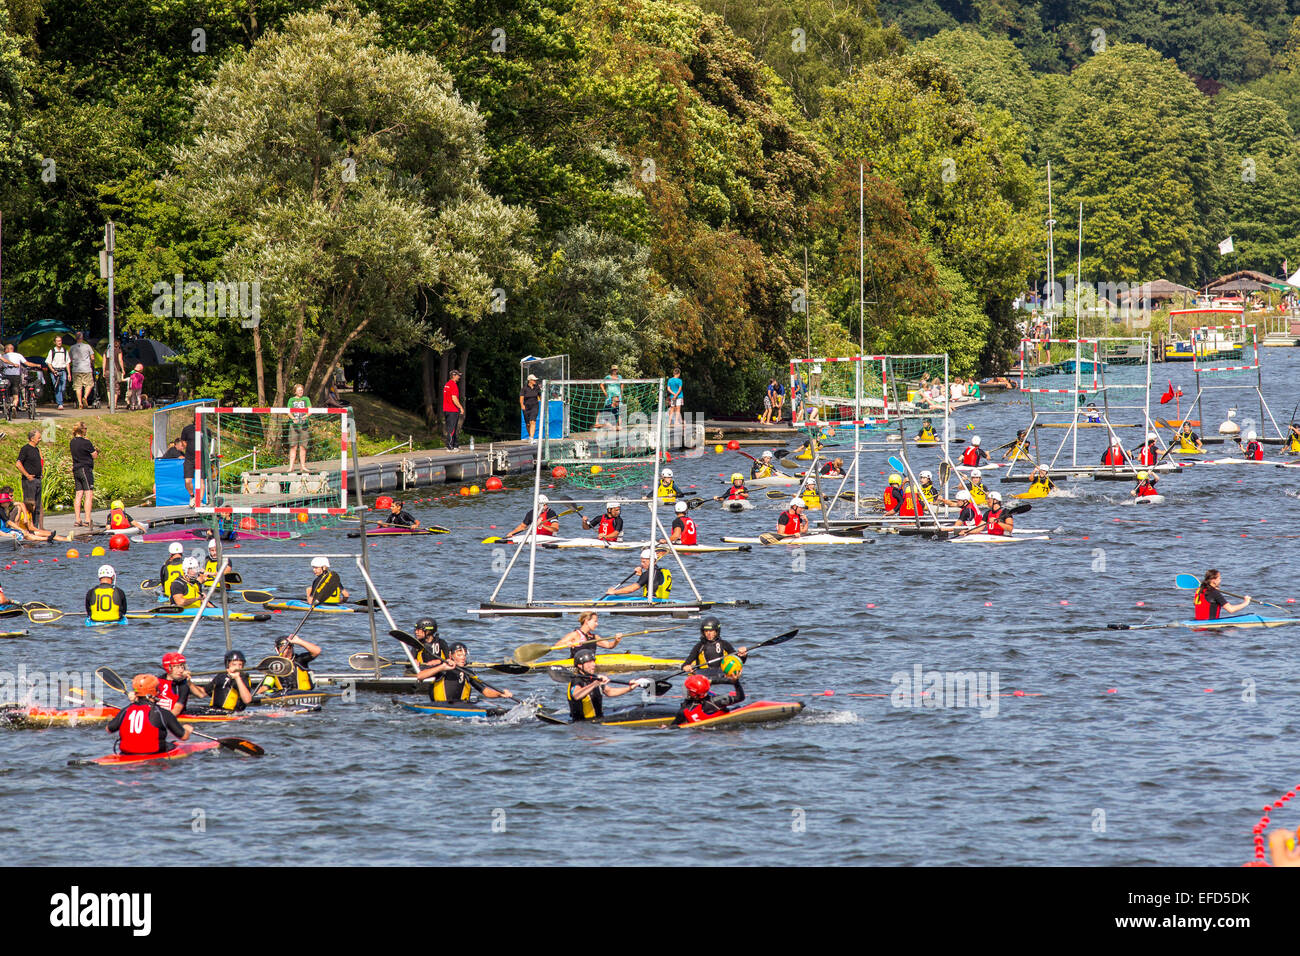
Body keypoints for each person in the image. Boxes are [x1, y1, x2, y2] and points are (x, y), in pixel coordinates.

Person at [105, 674, 193, 755]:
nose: (159, 692)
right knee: (174, 743)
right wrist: (187, 729)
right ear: (154, 692)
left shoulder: (125, 710)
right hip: (153, 753)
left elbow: (109, 729)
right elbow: (184, 737)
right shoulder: (162, 712)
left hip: (127, 753)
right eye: (158, 689)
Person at [414, 642, 514, 704]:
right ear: (451, 655)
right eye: (459, 654)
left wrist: (500, 694)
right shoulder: (442, 668)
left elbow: (486, 692)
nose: (463, 657)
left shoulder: (467, 672)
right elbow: (420, 676)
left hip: (462, 705)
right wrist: (442, 667)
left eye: (464, 655)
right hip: (440, 705)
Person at [565, 646, 638, 721]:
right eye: (589, 662)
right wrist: (595, 684)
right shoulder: (576, 680)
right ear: (580, 665)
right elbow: (576, 695)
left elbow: (609, 692)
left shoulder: (593, 678)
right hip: (582, 723)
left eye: (593, 661)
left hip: (598, 720)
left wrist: (629, 688)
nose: (593, 664)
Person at [257, 634, 322, 695]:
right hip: (285, 696)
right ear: (277, 649)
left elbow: (317, 651)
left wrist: (299, 641)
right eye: (284, 648)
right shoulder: (275, 665)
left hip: (304, 694)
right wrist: (255, 695)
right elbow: (266, 686)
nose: (288, 651)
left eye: (290, 648)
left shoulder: (300, 660)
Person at [681, 616, 747, 672]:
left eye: (711, 631)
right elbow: (685, 664)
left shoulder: (725, 644)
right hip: (705, 676)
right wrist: (685, 667)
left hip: (721, 675)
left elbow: (739, 661)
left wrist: (743, 655)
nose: (708, 633)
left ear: (716, 631)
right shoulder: (699, 646)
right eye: (706, 631)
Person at [605, 548, 671, 599]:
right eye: (641, 562)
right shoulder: (661, 571)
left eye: (644, 562)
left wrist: (614, 592)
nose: (642, 564)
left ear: (653, 561)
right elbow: (652, 581)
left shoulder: (649, 573)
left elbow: (632, 589)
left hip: (652, 602)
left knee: (611, 598)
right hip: (662, 600)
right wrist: (641, 575)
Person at [155, 652, 206, 717]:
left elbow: (177, 709)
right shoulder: (157, 680)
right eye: (177, 667)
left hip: (173, 716)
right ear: (168, 668)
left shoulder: (183, 685)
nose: (181, 670)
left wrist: (162, 721)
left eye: (182, 667)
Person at [70, 422, 98, 528]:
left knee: (78, 494)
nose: (87, 430)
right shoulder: (86, 442)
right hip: (85, 469)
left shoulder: (72, 442)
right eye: (85, 428)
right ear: (82, 430)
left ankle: (77, 519)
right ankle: (87, 519)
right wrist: (96, 451)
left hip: (76, 469)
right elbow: (94, 455)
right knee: (88, 494)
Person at [16, 429, 44, 530]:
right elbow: (18, 464)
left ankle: (35, 527)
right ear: (32, 438)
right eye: (38, 437)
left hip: (37, 480)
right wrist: (27, 475)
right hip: (29, 481)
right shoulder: (25, 449)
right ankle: (28, 527)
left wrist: (41, 473)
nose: (40, 439)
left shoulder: (36, 449)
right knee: (30, 505)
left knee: (37, 506)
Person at [557, 611, 624, 652]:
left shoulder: (594, 637)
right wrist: (567, 644)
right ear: (587, 621)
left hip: (589, 665)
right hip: (576, 664)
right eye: (595, 621)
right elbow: (557, 645)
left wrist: (616, 640)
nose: (597, 624)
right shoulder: (575, 634)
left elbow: (609, 645)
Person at [286, 383, 311, 471]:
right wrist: (293, 418)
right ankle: (291, 467)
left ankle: (303, 466)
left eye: (302, 390)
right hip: (294, 426)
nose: (301, 392)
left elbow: (310, 410)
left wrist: (306, 416)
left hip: (304, 425)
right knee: (293, 446)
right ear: (295, 391)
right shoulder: (291, 400)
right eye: (299, 390)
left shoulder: (306, 399)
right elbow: (288, 411)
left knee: (303, 446)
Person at [69, 332, 95, 410]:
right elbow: (92, 357)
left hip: (76, 369)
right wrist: (92, 363)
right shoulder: (87, 347)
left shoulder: (72, 348)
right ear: (82, 338)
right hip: (86, 368)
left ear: (75, 338)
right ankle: (85, 397)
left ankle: (80, 403)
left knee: (78, 387)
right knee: (89, 384)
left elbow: (69, 359)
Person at [442, 368, 465, 450]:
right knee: (451, 429)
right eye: (458, 375)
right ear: (453, 376)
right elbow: (454, 398)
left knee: (453, 428)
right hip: (452, 410)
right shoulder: (453, 385)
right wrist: (461, 407)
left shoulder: (447, 384)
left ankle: (455, 445)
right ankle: (450, 446)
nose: (459, 377)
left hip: (446, 409)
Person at [45, 335, 69, 409]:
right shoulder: (52, 351)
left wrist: (69, 374)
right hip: (54, 371)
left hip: (63, 370)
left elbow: (67, 362)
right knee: (57, 387)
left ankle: (61, 398)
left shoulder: (64, 351)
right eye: (58, 341)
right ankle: (60, 403)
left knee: (63, 387)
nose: (59, 342)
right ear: (55, 342)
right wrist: (53, 370)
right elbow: (48, 362)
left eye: (60, 341)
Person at [101, 341, 126, 408]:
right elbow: (120, 360)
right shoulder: (119, 351)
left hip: (107, 371)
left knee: (109, 387)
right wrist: (123, 369)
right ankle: (114, 403)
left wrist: (103, 371)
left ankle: (110, 402)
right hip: (115, 370)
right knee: (116, 387)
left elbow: (104, 362)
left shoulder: (106, 351)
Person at [520, 372, 541, 441]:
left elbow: (539, 396)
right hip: (526, 407)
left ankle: (531, 437)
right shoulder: (524, 388)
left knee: (533, 421)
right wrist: (522, 405)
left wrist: (540, 400)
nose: (535, 381)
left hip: (535, 406)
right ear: (530, 380)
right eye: (534, 380)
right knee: (528, 424)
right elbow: (521, 399)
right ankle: (530, 436)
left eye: (535, 380)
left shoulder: (537, 387)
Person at [180, 418, 196, 501]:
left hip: (200, 458)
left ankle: (201, 500)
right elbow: (183, 440)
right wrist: (188, 447)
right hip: (189, 459)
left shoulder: (205, 430)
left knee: (202, 481)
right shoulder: (187, 429)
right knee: (187, 481)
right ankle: (192, 496)